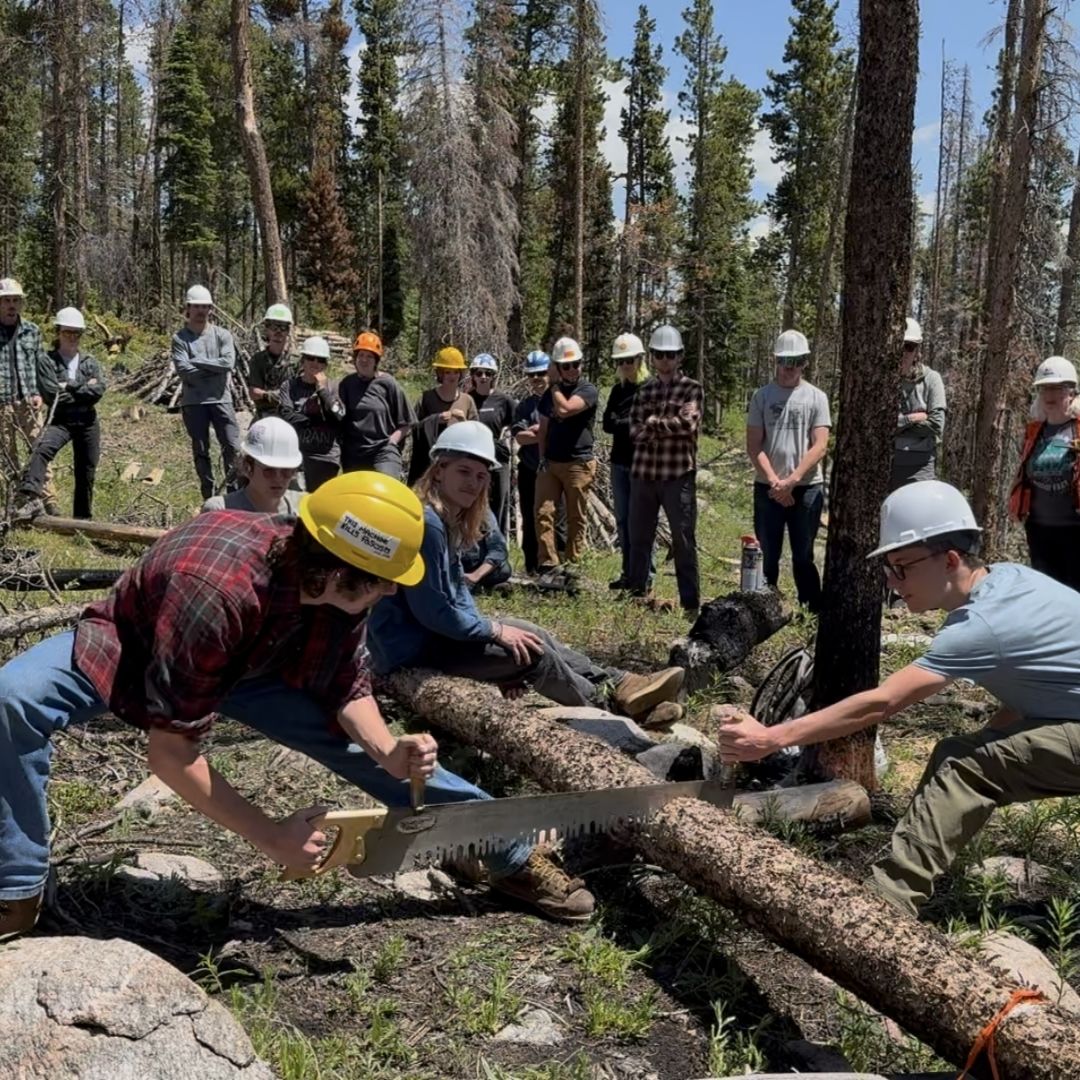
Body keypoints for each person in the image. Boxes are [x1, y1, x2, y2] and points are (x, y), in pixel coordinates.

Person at [0, 472, 588, 942]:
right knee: (11, 701)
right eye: (384, 582)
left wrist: (387, 750)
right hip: (142, 645)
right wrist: (271, 835)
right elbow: (172, 752)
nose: (391, 592)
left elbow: (347, 682)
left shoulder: (334, 585)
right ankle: (18, 888)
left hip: (254, 661)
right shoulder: (217, 590)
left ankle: (502, 848)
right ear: (336, 570)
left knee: (365, 749)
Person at [718, 480, 1080, 918]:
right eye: (888, 568)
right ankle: (915, 865)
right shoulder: (1010, 581)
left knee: (963, 767)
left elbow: (881, 703)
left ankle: (882, 909)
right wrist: (991, 744)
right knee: (968, 756)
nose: (892, 582)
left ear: (949, 560)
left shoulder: (981, 625)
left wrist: (771, 738)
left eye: (903, 567)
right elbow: (1033, 691)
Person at [368, 421, 685, 726]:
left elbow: (457, 592)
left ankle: (622, 683)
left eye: (481, 476)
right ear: (439, 470)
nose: (473, 483)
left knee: (531, 632)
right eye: (463, 471)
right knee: (532, 654)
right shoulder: (427, 524)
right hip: (413, 650)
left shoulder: (445, 519)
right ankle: (612, 709)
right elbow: (434, 612)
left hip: (436, 638)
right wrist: (494, 634)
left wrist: (497, 646)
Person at [745, 330, 831, 613]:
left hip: (806, 489)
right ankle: (763, 609)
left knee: (803, 555)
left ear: (804, 361)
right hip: (767, 487)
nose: (789, 366)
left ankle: (811, 611)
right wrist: (775, 482)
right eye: (784, 360)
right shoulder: (762, 397)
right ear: (775, 360)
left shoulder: (817, 398)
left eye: (795, 360)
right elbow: (754, 444)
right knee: (767, 554)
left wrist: (792, 482)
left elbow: (820, 445)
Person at [626, 326, 703, 615]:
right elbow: (634, 431)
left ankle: (690, 603)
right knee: (639, 537)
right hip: (643, 474)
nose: (665, 360)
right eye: (659, 354)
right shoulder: (644, 390)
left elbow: (688, 425)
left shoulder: (692, 389)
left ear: (680, 356)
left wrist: (654, 423)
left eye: (670, 354)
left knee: (683, 539)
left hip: (678, 475)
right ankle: (638, 594)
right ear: (653, 357)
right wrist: (666, 423)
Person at [15, 308, 106, 521]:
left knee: (86, 470)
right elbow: (52, 395)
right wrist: (82, 388)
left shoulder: (89, 361)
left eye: (76, 333)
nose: (72, 337)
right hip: (60, 419)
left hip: (87, 420)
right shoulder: (47, 361)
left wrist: (70, 386)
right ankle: (30, 498)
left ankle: (82, 520)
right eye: (67, 332)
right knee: (41, 449)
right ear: (58, 332)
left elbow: (98, 392)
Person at [1008, 355, 1080, 592]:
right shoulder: (1034, 432)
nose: (1050, 395)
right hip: (1039, 530)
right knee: (1047, 597)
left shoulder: (1077, 429)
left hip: (1074, 530)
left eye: (1057, 388)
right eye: (1044, 388)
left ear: (1071, 392)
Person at [171, 284, 241, 500]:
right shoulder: (180, 338)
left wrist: (198, 361)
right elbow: (184, 371)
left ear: (211, 309)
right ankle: (208, 496)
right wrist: (213, 367)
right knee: (201, 451)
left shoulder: (222, 335)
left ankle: (235, 494)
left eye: (205, 306)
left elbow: (228, 363)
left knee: (232, 447)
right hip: (194, 403)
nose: (201, 311)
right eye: (197, 306)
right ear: (188, 308)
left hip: (221, 399)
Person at [535, 337, 599, 571]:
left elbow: (566, 408)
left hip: (578, 463)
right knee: (544, 512)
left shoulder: (587, 389)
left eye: (576, 364)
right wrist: (542, 458)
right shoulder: (547, 396)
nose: (572, 370)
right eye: (566, 366)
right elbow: (543, 429)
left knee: (576, 516)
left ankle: (574, 564)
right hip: (551, 461)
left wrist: (553, 386)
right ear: (558, 368)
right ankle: (548, 564)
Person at [0, 277, 56, 509]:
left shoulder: (32, 331)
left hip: (29, 401)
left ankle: (48, 496)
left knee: (40, 448)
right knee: (6, 453)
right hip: (2, 402)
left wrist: (40, 394)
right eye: (6, 301)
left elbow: (40, 365)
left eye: (16, 300)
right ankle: (13, 498)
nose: (12, 305)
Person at [512, 350, 566, 574]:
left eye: (541, 373)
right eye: (531, 375)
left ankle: (560, 563)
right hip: (530, 469)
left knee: (559, 518)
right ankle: (533, 567)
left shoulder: (560, 399)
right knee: (530, 515)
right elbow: (519, 437)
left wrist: (537, 432)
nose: (536, 379)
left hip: (556, 468)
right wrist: (542, 432)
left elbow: (563, 433)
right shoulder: (524, 406)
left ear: (550, 373)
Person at [603, 333, 647, 591]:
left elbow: (644, 426)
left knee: (640, 522)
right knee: (622, 520)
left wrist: (625, 423)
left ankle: (643, 577)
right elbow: (608, 423)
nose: (626, 365)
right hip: (618, 462)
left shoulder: (649, 388)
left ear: (640, 359)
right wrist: (629, 423)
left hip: (641, 464)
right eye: (621, 361)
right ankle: (628, 573)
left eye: (630, 359)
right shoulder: (618, 390)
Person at [338, 330, 413, 478]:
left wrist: (392, 442)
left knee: (387, 488)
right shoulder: (347, 384)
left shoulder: (388, 383)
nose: (364, 360)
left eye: (369, 356)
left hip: (383, 450)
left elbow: (407, 422)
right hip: (354, 453)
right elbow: (339, 417)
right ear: (355, 358)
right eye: (361, 355)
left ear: (376, 361)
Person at [279, 335, 345, 493]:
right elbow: (287, 416)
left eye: (320, 359)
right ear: (302, 361)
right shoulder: (289, 386)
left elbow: (339, 415)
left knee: (320, 506)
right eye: (310, 358)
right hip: (296, 455)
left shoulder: (334, 387)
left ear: (326, 364)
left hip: (326, 458)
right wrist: (317, 420)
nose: (315, 363)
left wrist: (322, 391)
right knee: (296, 504)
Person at [201, 417, 304, 515]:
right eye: (269, 470)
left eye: (286, 471)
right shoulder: (220, 510)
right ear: (247, 467)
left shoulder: (303, 507)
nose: (278, 478)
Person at [407, 346, 477, 486]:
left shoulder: (467, 401)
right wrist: (434, 420)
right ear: (440, 374)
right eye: (447, 372)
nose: (452, 376)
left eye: (455, 372)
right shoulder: (427, 398)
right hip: (428, 466)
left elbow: (476, 435)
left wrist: (464, 422)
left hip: (457, 466)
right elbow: (413, 427)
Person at [891, 318, 946, 491]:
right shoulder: (884, 380)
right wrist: (911, 419)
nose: (904, 353)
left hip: (922, 467)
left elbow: (936, 425)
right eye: (900, 346)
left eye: (909, 347)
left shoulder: (931, 379)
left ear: (917, 350)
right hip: (888, 464)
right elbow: (881, 426)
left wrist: (897, 425)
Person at [468, 353, 516, 535]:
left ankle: (499, 546)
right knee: (475, 503)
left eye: (488, 374)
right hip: (475, 460)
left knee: (500, 503)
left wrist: (509, 436)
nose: (483, 377)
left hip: (499, 459)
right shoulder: (467, 399)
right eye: (479, 373)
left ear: (494, 376)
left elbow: (517, 424)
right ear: (472, 375)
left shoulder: (504, 401)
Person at [247, 304, 295, 416]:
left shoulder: (297, 361)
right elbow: (254, 393)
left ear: (288, 331)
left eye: (283, 327)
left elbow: (296, 395)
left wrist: (265, 395)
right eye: (274, 327)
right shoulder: (257, 360)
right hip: (264, 414)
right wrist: (281, 395)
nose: (278, 332)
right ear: (267, 330)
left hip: (290, 415)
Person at [461, 508, 513, 592]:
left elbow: (498, 549)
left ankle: (477, 584)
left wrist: (475, 575)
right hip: (452, 566)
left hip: (478, 565)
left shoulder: (484, 514)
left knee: (504, 570)